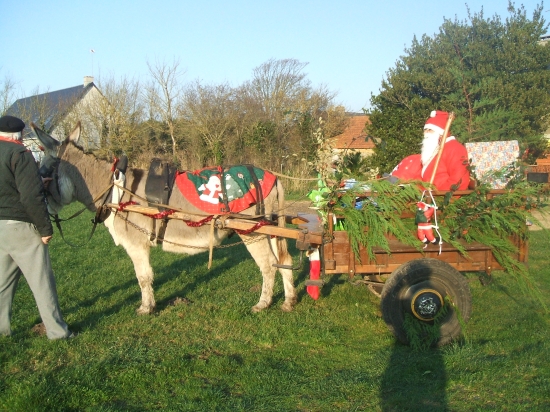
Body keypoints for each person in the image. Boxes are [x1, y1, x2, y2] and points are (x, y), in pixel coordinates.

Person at [0, 115, 73, 339]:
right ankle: (58, 333)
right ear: (20, 135)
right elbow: (31, 197)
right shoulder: (20, 154)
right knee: (42, 283)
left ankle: (2, 330)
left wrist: (35, 181)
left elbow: (9, 185)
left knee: (2, 284)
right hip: (21, 227)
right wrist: (45, 229)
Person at [391, 110, 470, 191]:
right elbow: (421, 178)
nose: (426, 134)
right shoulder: (435, 150)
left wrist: (437, 198)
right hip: (426, 196)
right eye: (425, 130)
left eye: (430, 130)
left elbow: (459, 181)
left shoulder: (455, 148)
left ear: (440, 133)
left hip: (440, 198)